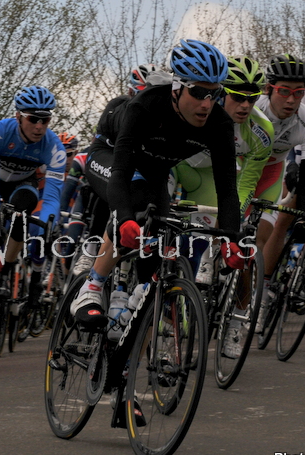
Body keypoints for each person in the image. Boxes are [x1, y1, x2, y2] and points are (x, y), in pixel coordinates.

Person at [70, 39, 244, 326]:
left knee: (158, 249)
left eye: (215, 94)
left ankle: (125, 345)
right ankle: (91, 287)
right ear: (177, 87)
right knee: (136, 200)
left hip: (154, 171)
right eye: (198, 92)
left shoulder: (220, 123)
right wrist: (124, 219)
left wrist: (230, 239)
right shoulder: (146, 106)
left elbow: (227, 189)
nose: (206, 104)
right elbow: (121, 174)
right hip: (110, 155)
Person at [173, 55, 274, 358]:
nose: (245, 106)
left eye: (253, 98)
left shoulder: (261, 131)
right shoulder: (200, 113)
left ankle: (237, 324)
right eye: (238, 97)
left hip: (218, 181)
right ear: (219, 93)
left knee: (242, 245)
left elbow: (245, 184)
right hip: (183, 170)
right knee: (178, 245)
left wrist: (232, 222)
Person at [252, 54, 305, 328]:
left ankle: (246, 306)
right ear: (269, 88)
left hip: (271, 172)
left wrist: (302, 215)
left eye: (298, 93)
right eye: (284, 92)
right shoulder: (252, 109)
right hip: (238, 169)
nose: (292, 100)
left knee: (258, 241)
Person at [0, 86, 66, 303]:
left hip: (22, 184)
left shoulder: (54, 148)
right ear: (18, 116)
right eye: (33, 119)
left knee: (23, 211)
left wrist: (48, 223)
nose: (39, 126)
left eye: (45, 120)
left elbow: (51, 198)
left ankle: (5, 267)